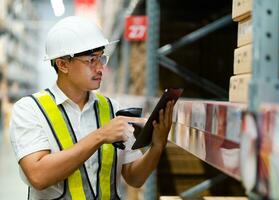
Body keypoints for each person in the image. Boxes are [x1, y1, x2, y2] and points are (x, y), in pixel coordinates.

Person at [9, 16, 174, 200]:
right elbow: (38, 176)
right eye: (91, 60)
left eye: (102, 58)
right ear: (63, 64)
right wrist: (101, 135)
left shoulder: (112, 108)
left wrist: (158, 146)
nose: (100, 68)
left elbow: (134, 178)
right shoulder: (30, 110)